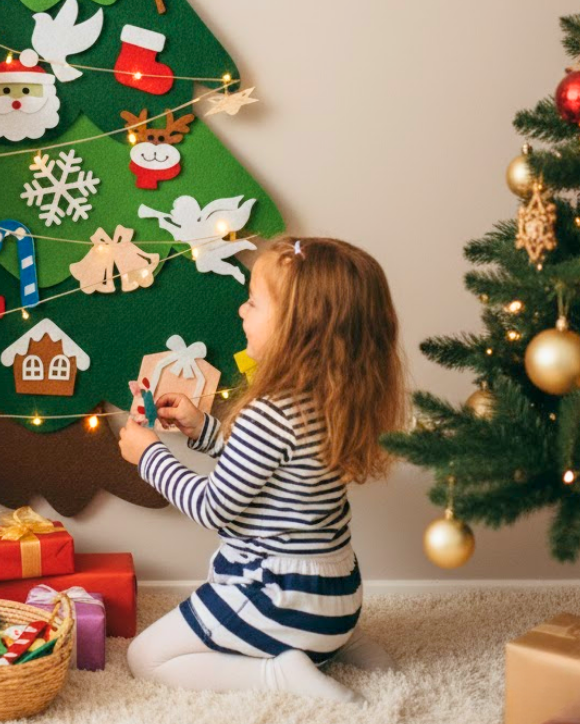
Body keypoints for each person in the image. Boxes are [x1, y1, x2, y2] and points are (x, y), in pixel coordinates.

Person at [119, 236, 405, 704]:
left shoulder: (268, 413)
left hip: (276, 596)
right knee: (313, 617)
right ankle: (335, 644)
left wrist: (148, 453)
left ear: (299, 327)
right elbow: (269, 475)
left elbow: (215, 508)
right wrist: (202, 429)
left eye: (253, 302)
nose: (240, 312)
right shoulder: (330, 404)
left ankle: (282, 674)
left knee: (145, 658)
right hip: (337, 596)